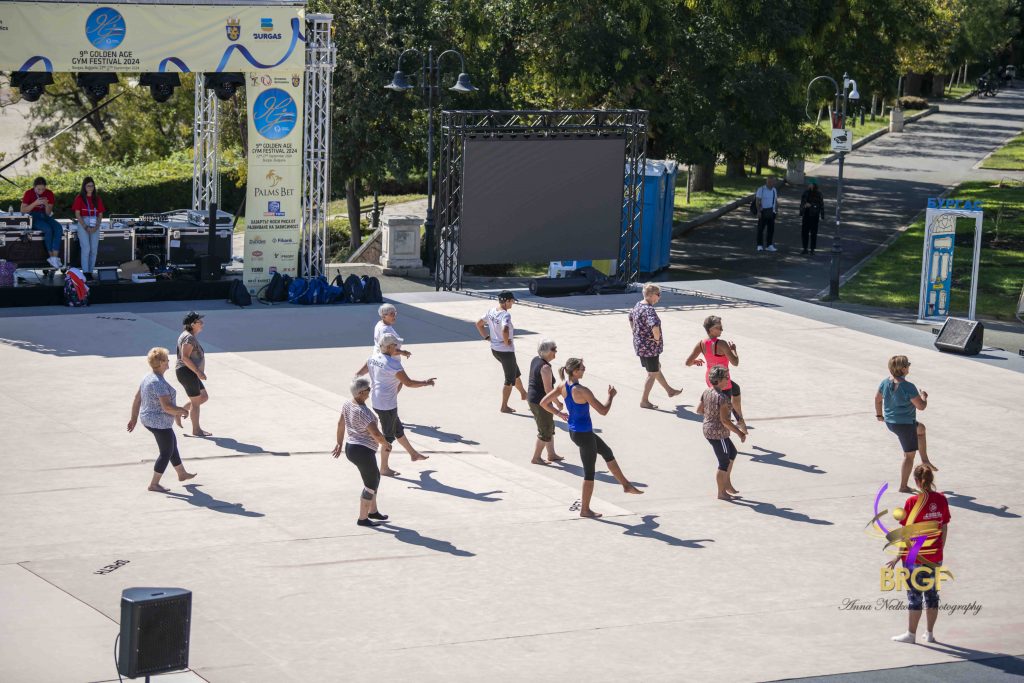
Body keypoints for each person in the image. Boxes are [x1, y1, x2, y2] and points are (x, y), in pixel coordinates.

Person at [540, 357, 643, 518]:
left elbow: (544, 403)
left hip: (576, 432)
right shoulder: (582, 391)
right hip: (584, 435)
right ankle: (585, 509)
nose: (584, 370)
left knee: (607, 452)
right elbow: (603, 411)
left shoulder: (562, 385)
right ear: (575, 371)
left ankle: (626, 485)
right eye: (582, 368)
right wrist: (611, 396)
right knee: (589, 473)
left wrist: (559, 414)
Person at [355, 333, 436, 477]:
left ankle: (413, 454)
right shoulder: (393, 364)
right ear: (389, 347)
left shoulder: (373, 358)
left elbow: (359, 373)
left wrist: (357, 386)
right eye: (395, 345)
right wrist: (426, 382)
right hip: (387, 405)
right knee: (388, 438)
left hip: (376, 400)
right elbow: (409, 383)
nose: (397, 347)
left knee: (397, 429)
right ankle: (384, 468)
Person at [891, 465, 951, 644]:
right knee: (932, 595)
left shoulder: (912, 502)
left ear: (916, 481)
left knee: (915, 596)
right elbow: (944, 526)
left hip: (914, 557)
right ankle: (930, 634)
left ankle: (911, 634)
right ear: (931, 480)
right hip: (935, 556)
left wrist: (898, 556)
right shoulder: (941, 499)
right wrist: (940, 549)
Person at [127, 347, 196, 492]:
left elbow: (137, 399)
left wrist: (134, 418)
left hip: (148, 418)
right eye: (167, 359)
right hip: (158, 422)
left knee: (171, 444)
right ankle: (154, 484)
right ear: (161, 363)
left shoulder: (148, 377)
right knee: (166, 452)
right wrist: (182, 411)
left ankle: (181, 473)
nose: (169, 361)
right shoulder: (158, 383)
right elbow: (167, 407)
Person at [332, 376, 393, 527]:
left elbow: (340, 424)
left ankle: (373, 511)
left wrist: (339, 443)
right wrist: (386, 444)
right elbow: (376, 434)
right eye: (368, 389)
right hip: (362, 451)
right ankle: (363, 518)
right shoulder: (363, 412)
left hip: (351, 447)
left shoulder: (347, 404)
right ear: (360, 393)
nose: (370, 391)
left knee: (375, 477)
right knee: (370, 484)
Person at [875, 355, 936, 493]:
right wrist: (924, 397)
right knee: (909, 456)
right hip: (905, 425)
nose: (909, 366)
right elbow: (921, 406)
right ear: (903, 368)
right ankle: (903, 486)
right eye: (908, 364)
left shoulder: (885, 382)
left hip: (891, 422)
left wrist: (879, 415)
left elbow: (877, 399)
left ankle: (925, 459)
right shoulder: (908, 387)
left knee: (921, 429)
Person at [696, 366, 747, 500]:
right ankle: (721, 492)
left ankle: (726, 484)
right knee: (723, 462)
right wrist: (740, 433)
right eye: (726, 377)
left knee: (732, 452)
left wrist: (711, 415)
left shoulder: (706, 392)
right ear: (718, 380)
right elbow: (725, 421)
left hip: (708, 429)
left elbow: (699, 410)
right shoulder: (722, 398)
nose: (728, 380)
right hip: (718, 434)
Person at [629, 283, 682, 409]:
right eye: (658, 294)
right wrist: (657, 340)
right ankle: (644, 401)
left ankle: (669, 390)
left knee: (656, 367)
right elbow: (655, 326)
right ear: (651, 295)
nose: (659, 297)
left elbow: (630, 317)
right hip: (649, 348)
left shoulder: (638, 305)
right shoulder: (649, 310)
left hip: (640, 345)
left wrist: (635, 332)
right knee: (652, 373)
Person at [685, 315, 745, 428]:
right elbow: (735, 362)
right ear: (710, 329)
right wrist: (734, 350)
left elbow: (688, 362)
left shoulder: (701, 343)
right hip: (723, 380)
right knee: (726, 410)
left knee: (735, 389)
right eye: (718, 327)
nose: (721, 329)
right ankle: (731, 423)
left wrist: (695, 362)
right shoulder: (722, 344)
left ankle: (739, 420)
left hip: (710, 378)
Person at [476, 290, 527, 413]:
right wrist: (505, 341)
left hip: (495, 350)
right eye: (512, 301)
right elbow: (505, 330)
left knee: (515, 373)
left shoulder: (491, 311)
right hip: (506, 352)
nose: (513, 303)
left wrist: (487, 337)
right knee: (509, 380)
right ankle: (504, 406)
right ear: (507, 301)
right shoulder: (505, 315)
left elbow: (478, 324)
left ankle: (524, 394)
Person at [527, 339, 564, 465]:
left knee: (549, 426)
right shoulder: (545, 367)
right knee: (545, 430)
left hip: (536, 399)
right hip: (540, 402)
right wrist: (558, 403)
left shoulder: (535, 359)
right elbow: (548, 390)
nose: (556, 351)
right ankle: (536, 458)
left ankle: (551, 454)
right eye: (554, 349)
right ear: (546, 351)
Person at [176, 311, 211, 437]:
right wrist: (198, 371)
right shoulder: (189, 338)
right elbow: (185, 357)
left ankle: (180, 411)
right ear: (192, 324)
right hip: (187, 372)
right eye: (199, 321)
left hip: (189, 372)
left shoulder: (188, 336)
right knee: (196, 403)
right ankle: (196, 430)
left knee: (203, 397)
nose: (202, 323)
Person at [20, 177, 63, 269]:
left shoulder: (49, 193)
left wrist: (46, 204)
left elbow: (48, 213)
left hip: (45, 216)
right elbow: (23, 210)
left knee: (59, 228)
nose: (41, 191)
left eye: (43, 189)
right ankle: (51, 256)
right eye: (38, 189)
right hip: (33, 216)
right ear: (34, 187)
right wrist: (35, 203)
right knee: (48, 229)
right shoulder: (29, 193)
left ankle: (54, 257)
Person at [71, 176, 106, 277]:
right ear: (84, 187)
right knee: (86, 248)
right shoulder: (79, 198)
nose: (90, 188)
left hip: (95, 223)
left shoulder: (97, 198)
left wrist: (96, 226)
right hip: (83, 223)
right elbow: (77, 214)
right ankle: (85, 272)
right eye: (88, 186)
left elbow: (100, 214)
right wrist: (85, 226)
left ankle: (91, 271)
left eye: (92, 186)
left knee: (94, 249)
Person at [799, 180, 825, 255]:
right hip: (806, 215)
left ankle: (812, 249)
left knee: (813, 233)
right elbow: (802, 203)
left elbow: (821, 205)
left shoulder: (819, 194)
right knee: (804, 232)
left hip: (814, 216)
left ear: (814, 185)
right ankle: (805, 248)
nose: (809, 185)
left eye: (810, 184)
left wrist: (811, 206)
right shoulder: (805, 193)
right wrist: (801, 210)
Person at [755, 176, 779, 252]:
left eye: (773, 182)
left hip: (772, 212)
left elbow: (775, 201)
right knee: (760, 229)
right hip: (763, 212)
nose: (771, 183)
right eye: (769, 182)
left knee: (771, 229)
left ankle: (769, 245)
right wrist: (758, 211)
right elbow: (757, 201)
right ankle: (759, 245)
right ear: (767, 182)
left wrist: (776, 211)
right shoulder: (761, 189)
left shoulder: (774, 190)